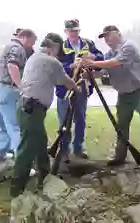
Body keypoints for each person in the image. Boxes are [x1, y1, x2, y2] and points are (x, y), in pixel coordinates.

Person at [82, 25, 140, 166]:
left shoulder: (129, 47)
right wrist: (90, 74)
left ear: (117, 33)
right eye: (104, 37)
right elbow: (103, 71)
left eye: (108, 35)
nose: (106, 39)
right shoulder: (109, 54)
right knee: (121, 125)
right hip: (124, 94)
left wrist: (92, 63)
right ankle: (120, 156)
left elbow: (115, 63)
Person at [10, 34, 80, 198]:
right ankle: (16, 189)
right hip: (32, 109)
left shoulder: (35, 57)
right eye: (58, 49)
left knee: (40, 143)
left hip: (26, 107)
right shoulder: (51, 61)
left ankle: (45, 176)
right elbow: (66, 81)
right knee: (27, 149)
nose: (58, 53)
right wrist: (77, 88)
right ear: (54, 47)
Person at [56, 19, 104, 159]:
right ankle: (64, 150)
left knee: (80, 119)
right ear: (66, 31)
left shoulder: (88, 44)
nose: (74, 33)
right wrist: (71, 66)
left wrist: (93, 57)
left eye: (76, 30)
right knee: (64, 120)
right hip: (64, 88)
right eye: (71, 31)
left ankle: (78, 148)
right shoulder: (60, 46)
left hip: (82, 85)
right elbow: (54, 67)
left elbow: (101, 59)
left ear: (79, 30)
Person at [0, 29, 37, 164]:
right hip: (8, 89)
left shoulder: (6, 46)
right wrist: (21, 86)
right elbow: (12, 66)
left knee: (3, 125)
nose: (31, 46)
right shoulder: (17, 48)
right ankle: (23, 162)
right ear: (25, 38)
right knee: (15, 126)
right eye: (31, 42)